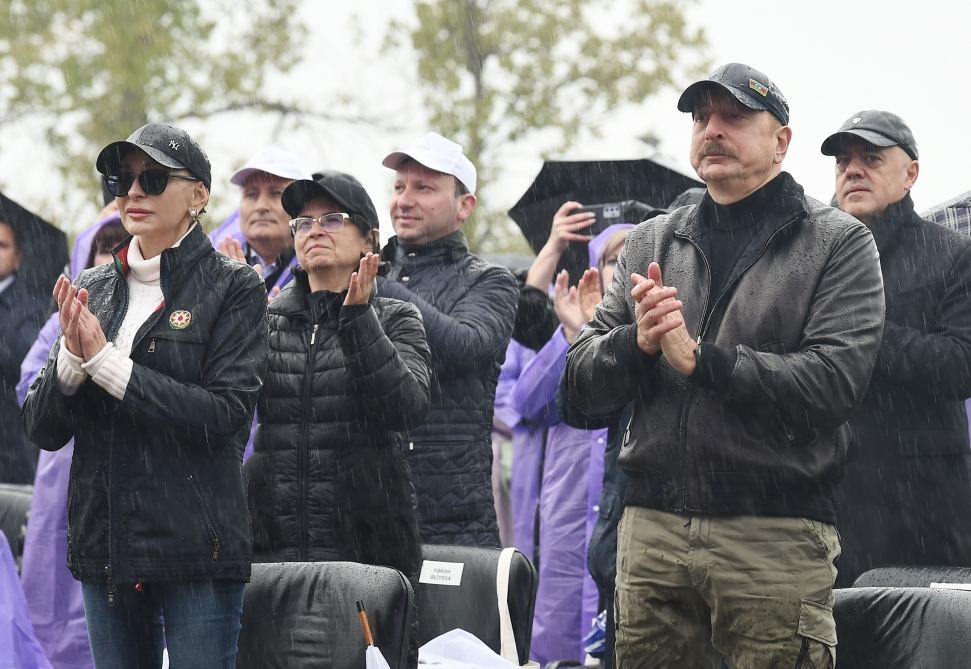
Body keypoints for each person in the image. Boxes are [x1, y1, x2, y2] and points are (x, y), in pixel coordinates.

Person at [564, 63, 886, 667]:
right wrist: (637, 344)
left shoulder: (837, 242)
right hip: (651, 530)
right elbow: (576, 391)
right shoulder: (652, 240)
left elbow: (832, 386)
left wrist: (704, 362)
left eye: (733, 117)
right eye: (700, 117)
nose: (711, 129)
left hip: (772, 535)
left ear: (781, 141)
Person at [22, 122, 269, 669]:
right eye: (121, 179)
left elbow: (223, 415)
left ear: (198, 195)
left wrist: (106, 363)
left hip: (196, 546)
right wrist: (71, 362)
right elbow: (42, 428)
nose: (133, 191)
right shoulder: (94, 285)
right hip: (107, 545)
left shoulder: (235, 286)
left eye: (153, 179)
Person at [244, 170, 429, 582]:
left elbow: (407, 409)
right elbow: (225, 414)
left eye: (332, 220)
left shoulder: (395, 318)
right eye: (303, 223)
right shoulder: (267, 321)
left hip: (366, 555)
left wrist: (359, 320)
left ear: (369, 240)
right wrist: (231, 313)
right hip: (273, 552)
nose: (314, 231)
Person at [820, 110, 971, 587]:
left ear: (910, 174)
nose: (852, 170)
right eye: (843, 161)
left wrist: (866, 333)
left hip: (926, 505)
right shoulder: (812, 256)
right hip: (829, 497)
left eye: (871, 158)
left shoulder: (953, 253)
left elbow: (960, 366)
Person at [377, 132, 518, 547]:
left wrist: (379, 287)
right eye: (399, 187)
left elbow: (465, 346)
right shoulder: (371, 273)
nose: (404, 201)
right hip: (371, 509)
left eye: (424, 188)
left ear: (464, 206)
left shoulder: (490, 280)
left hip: (454, 517)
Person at [17, 213, 125, 669]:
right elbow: (29, 386)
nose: (111, 256)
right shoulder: (57, 324)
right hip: (62, 476)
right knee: (53, 589)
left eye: (122, 246)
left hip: (124, 477)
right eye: (103, 246)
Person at [216, 146, 310, 297]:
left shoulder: (320, 268)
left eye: (276, 193)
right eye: (251, 194)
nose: (261, 206)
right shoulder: (211, 262)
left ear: (304, 207)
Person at [0, 216, 49, 483]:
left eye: (2, 245)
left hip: (11, 453)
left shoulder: (32, 308)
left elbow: (30, 364)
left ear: (17, 258)